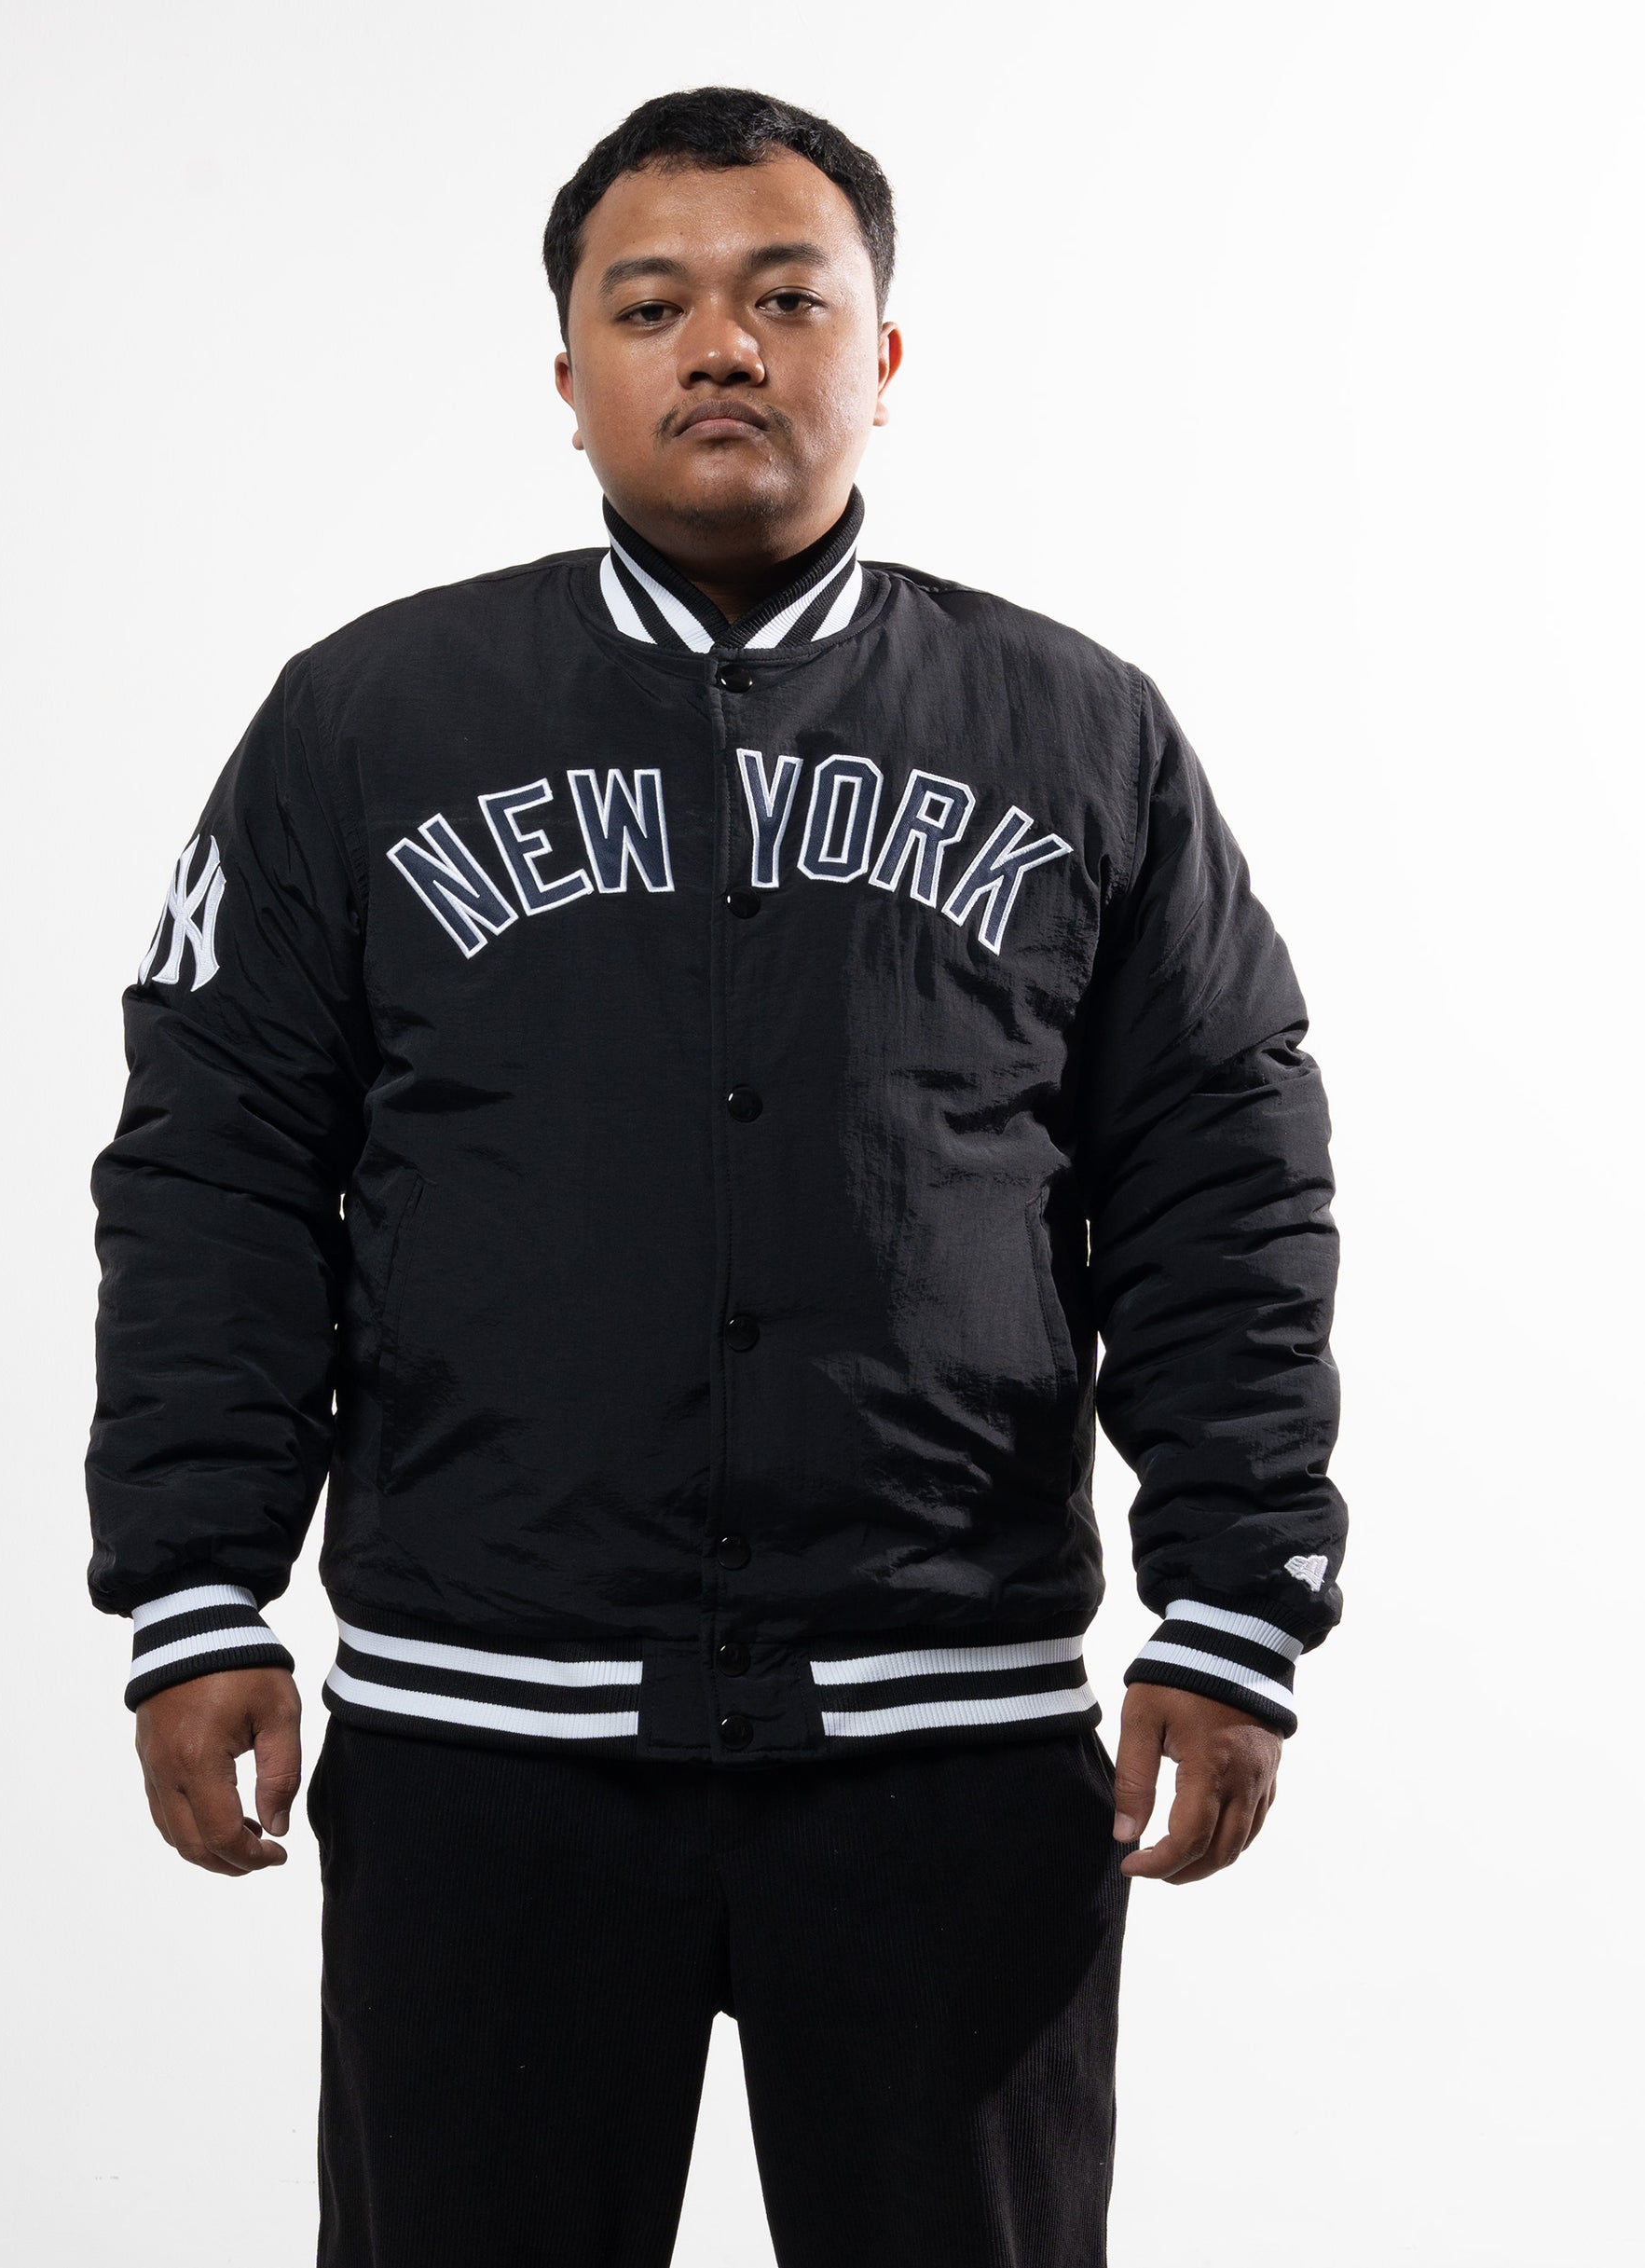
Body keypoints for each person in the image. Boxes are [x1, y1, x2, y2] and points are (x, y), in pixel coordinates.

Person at [87, 85, 1346, 2268]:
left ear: (884, 352)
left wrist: (1234, 1602)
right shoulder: (364, 722)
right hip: (486, 1742)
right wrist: (195, 1581)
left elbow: (1220, 1178)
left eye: (787, 296)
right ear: (567, 369)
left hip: (949, 1739)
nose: (723, 347)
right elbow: (217, 1168)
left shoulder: (1079, 728)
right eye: (650, 303)